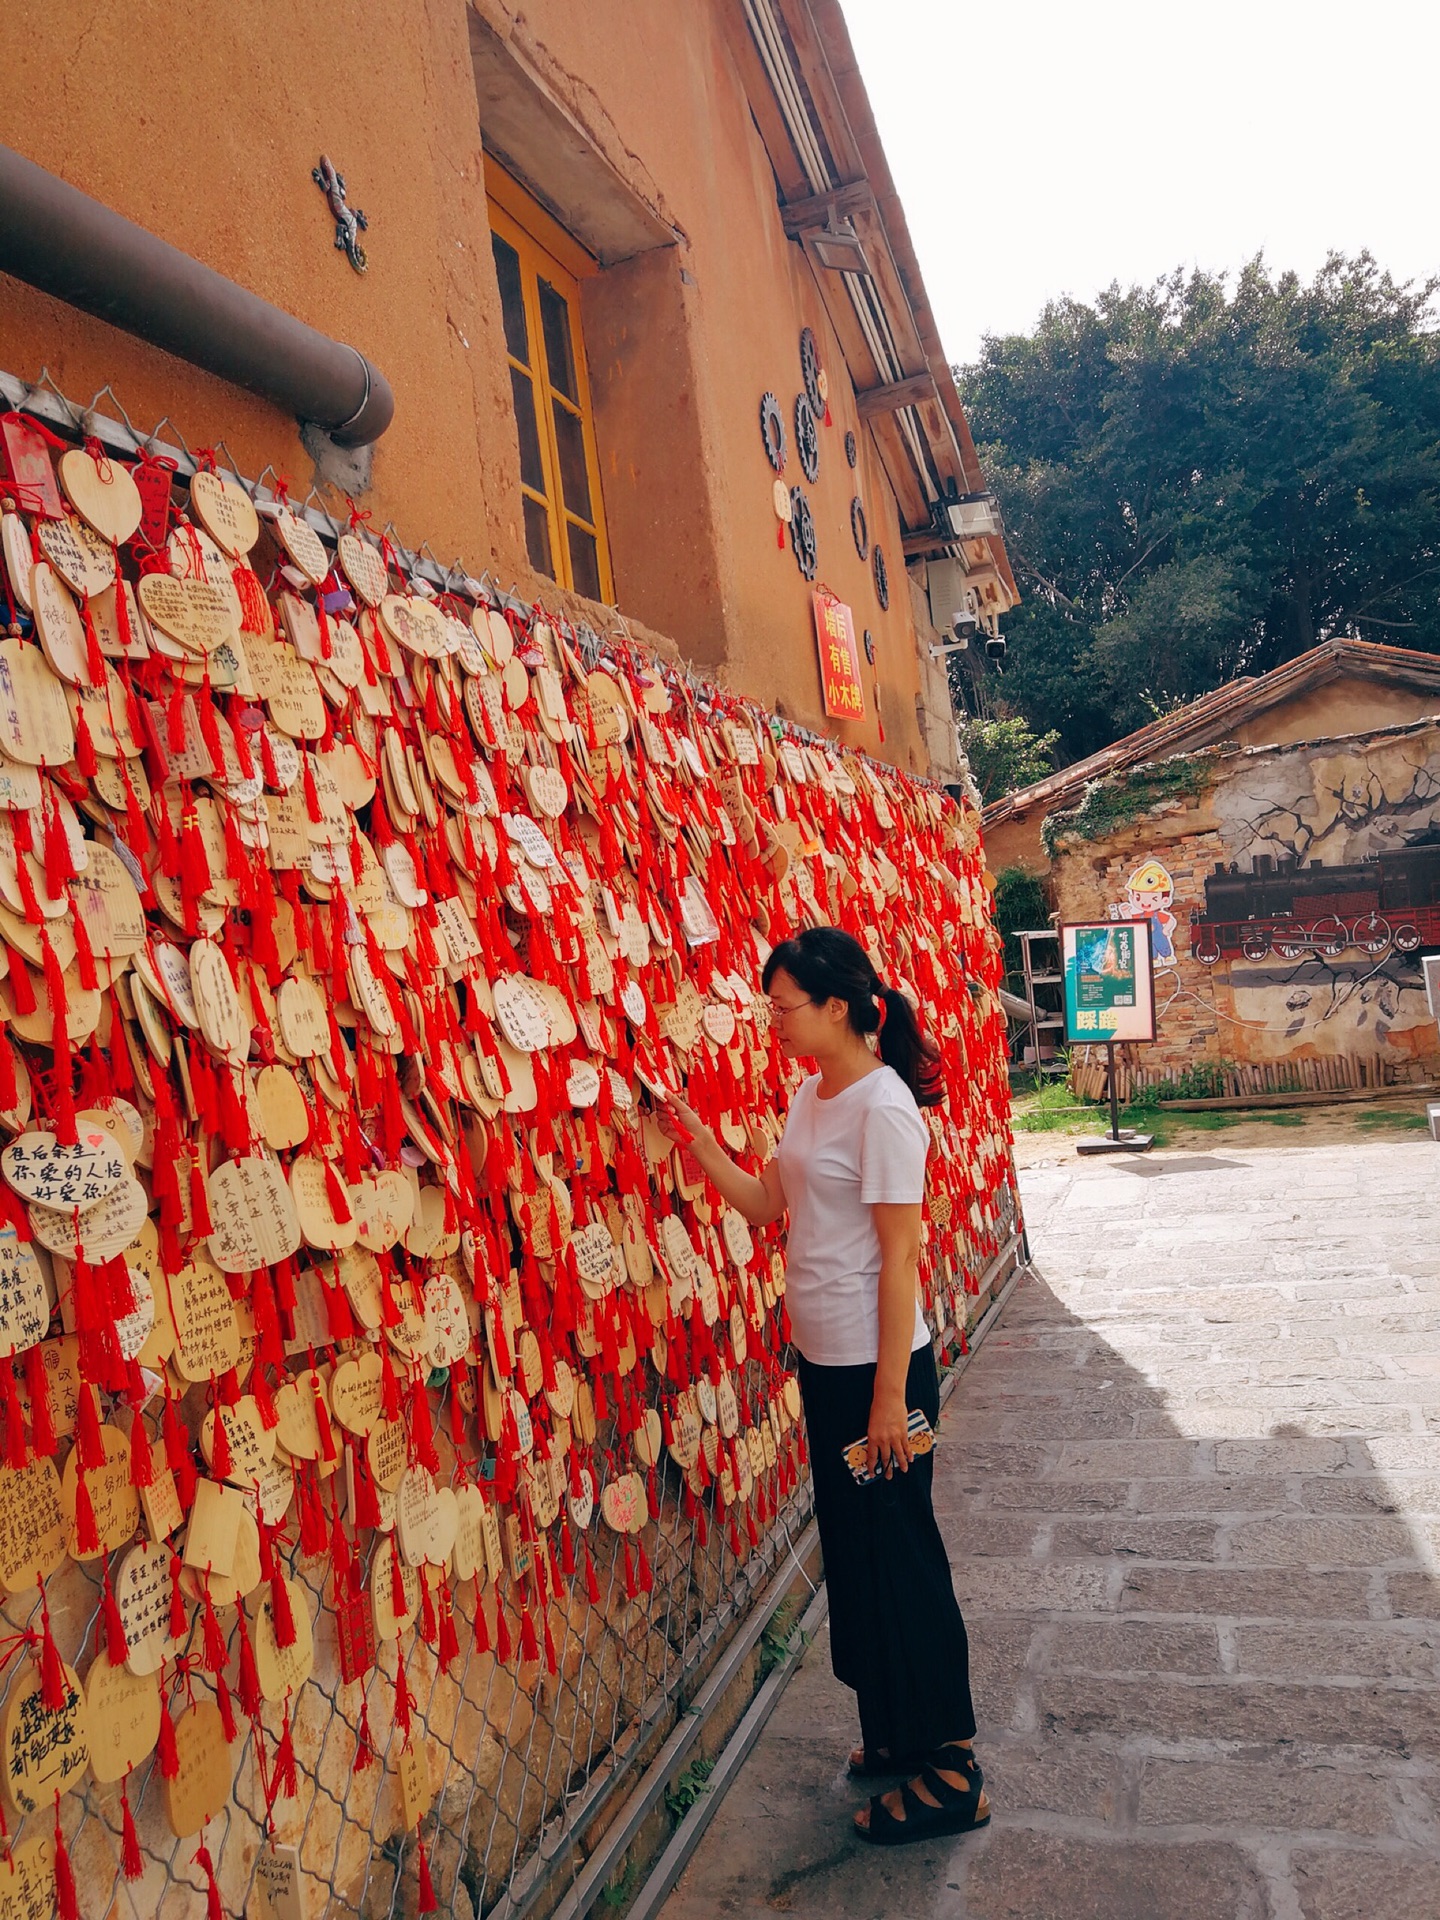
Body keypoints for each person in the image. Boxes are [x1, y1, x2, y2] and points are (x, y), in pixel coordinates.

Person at [655, 926, 988, 1847]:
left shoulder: (882, 1108)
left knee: (902, 1553)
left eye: (784, 1005)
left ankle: (953, 1766)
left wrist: (891, 1397)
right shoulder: (810, 1099)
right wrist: (695, 1141)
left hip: (881, 1374)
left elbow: (902, 1253)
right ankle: (896, 1734)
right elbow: (770, 1207)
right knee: (858, 1551)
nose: (774, 1021)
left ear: (836, 1006)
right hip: (830, 1365)